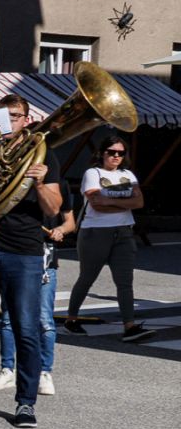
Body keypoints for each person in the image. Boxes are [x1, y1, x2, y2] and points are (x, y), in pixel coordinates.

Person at [0, 95, 61, 424]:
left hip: (24, 251)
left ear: (26, 120)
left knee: (26, 328)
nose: (10, 123)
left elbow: (53, 210)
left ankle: (25, 402)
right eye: (4, 117)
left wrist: (41, 181)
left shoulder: (43, 156)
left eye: (16, 117)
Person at [64, 134, 150, 342]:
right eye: (111, 152)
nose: (116, 157)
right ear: (102, 153)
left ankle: (129, 325)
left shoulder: (128, 175)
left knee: (125, 281)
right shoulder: (92, 173)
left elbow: (139, 202)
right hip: (95, 231)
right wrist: (124, 201)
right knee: (87, 277)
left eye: (120, 153)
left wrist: (111, 201)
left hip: (123, 231)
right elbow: (96, 203)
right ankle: (71, 318)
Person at [0, 198, 74, 395]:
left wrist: (61, 230)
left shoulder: (58, 187)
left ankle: (44, 372)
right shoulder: (16, 185)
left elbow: (70, 222)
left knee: (44, 320)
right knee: (8, 318)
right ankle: (7, 369)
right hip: (15, 254)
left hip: (45, 260)